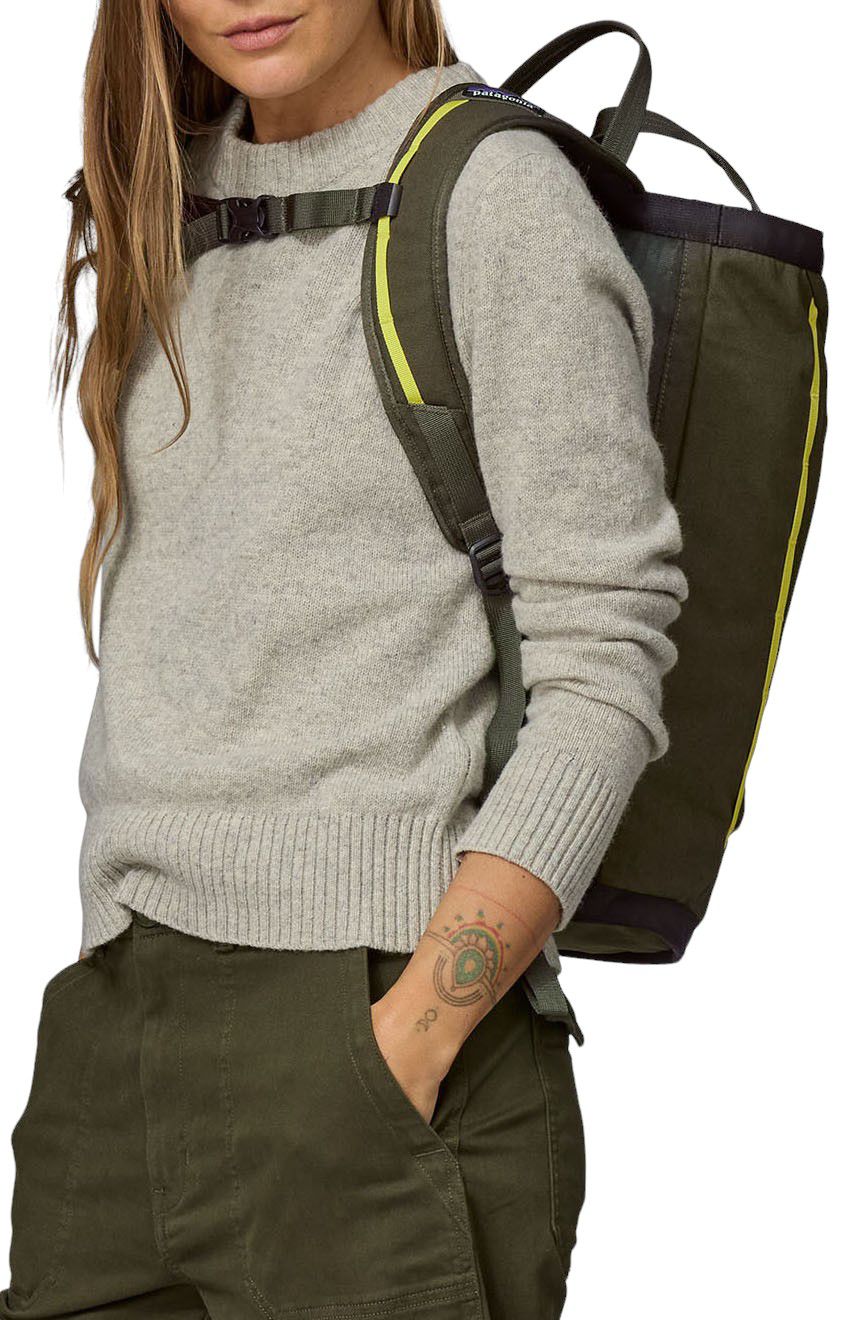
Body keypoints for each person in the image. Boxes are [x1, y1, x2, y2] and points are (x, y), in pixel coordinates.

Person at [0, 3, 687, 1318]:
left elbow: (605, 664)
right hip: (113, 1055)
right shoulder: (162, 205)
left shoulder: (497, 200)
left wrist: (411, 1038)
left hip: (377, 1037)